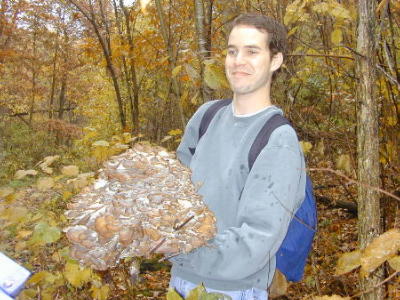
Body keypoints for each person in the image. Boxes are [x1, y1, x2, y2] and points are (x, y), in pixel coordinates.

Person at [157, 13, 306, 299]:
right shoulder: (206, 116)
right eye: (232, 51)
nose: (239, 60)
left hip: (232, 290)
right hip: (180, 281)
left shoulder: (278, 140)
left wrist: (179, 248)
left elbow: (257, 240)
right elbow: (175, 189)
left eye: (252, 51)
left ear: (275, 61)